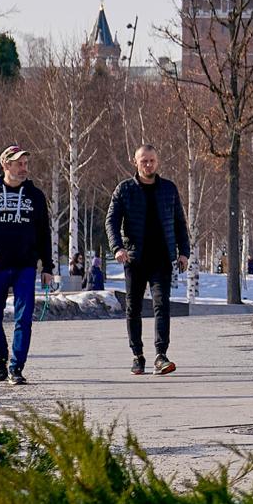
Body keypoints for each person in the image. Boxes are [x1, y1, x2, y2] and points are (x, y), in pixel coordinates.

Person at [0, 143, 55, 387]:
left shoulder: (35, 196)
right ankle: (0, 357)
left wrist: (47, 267)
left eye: (26, 163)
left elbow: (44, 234)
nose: (23, 168)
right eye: (18, 163)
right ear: (5, 165)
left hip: (26, 266)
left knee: (23, 317)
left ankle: (17, 367)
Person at [106, 143, 191, 375]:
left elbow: (180, 223)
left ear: (158, 161)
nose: (148, 164)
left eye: (152, 160)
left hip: (163, 258)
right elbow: (111, 221)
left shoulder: (168, 189)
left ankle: (161, 355)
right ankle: (138, 355)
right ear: (136, 162)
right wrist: (117, 248)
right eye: (143, 160)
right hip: (135, 258)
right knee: (133, 308)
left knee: (162, 304)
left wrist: (184, 252)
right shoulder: (124, 189)